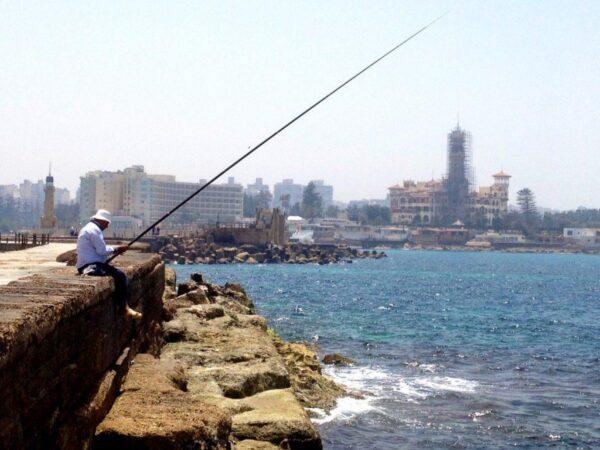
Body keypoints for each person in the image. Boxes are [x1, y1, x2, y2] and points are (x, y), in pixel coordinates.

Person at [76, 209, 142, 319]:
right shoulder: (94, 230)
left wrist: (115, 250)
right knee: (121, 276)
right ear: (101, 221)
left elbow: (98, 251)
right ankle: (124, 309)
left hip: (85, 264)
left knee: (116, 274)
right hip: (90, 266)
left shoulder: (88, 228)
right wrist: (117, 249)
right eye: (107, 223)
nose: (107, 226)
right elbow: (101, 250)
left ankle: (124, 306)